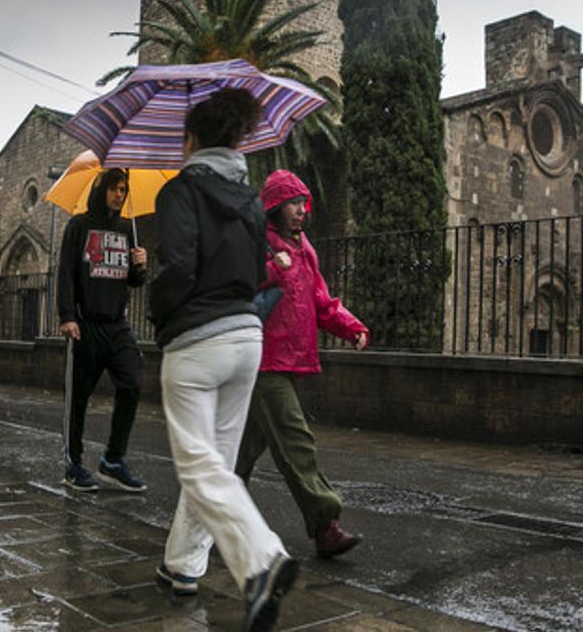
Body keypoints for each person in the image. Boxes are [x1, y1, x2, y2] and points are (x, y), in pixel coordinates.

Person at [149, 88, 297, 632]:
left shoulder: (180, 191)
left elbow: (179, 265)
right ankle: (183, 564)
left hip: (196, 342)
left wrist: (158, 309)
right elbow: (256, 272)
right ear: (236, 139)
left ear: (192, 139)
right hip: (246, 338)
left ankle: (263, 561)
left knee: (198, 462)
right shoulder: (254, 200)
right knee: (215, 464)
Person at [235, 169, 370, 559]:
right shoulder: (259, 242)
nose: (300, 211)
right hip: (263, 361)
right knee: (297, 441)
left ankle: (208, 511)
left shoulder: (303, 247)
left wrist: (352, 327)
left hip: (287, 361)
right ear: (275, 207)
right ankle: (325, 525)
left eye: (302, 203)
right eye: (292, 203)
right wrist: (274, 266)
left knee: (241, 452)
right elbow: (237, 285)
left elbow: (321, 302)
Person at [57, 168, 149, 492]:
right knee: (78, 398)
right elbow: (66, 270)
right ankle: (73, 464)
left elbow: (134, 282)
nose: (119, 195)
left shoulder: (127, 229)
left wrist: (141, 264)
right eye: (114, 188)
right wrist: (67, 315)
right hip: (86, 324)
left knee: (133, 383)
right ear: (101, 190)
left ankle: (112, 460)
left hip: (117, 325)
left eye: (123, 189)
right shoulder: (79, 225)